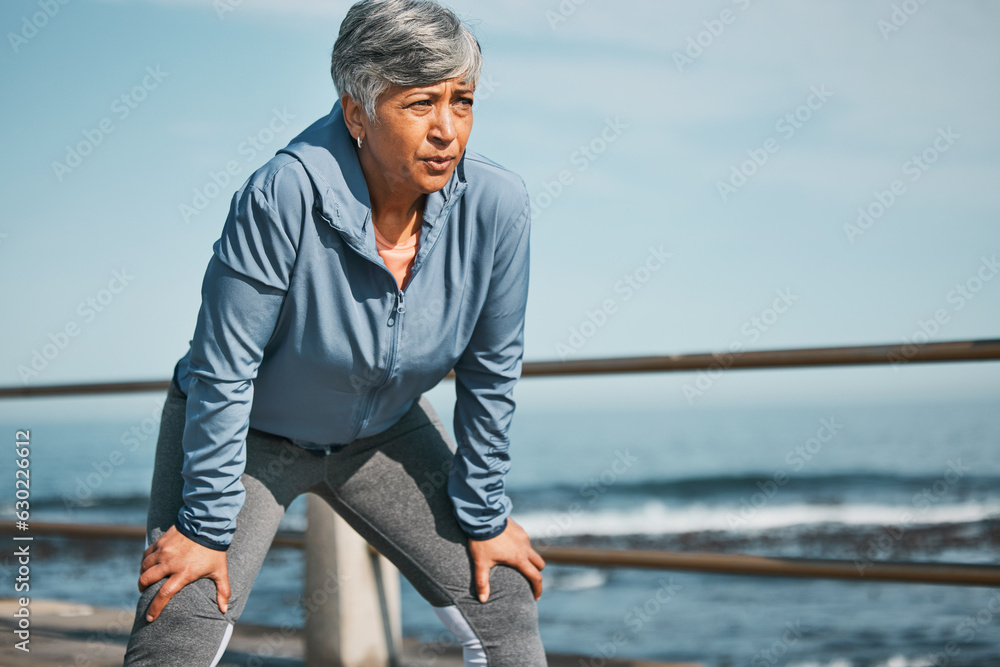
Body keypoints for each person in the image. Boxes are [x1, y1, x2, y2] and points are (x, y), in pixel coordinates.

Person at [121, 1, 547, 665]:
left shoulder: (497, 206)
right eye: (419, 104)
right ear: (357, 113)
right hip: (249, 432)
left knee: (505, 602)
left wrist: (486, 516)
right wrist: (205, 528)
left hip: (382, 434)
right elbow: (224, 369)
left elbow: (492, 370)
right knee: (179, 618)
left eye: (461, 101)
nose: (447, 129)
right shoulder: (282, 194)